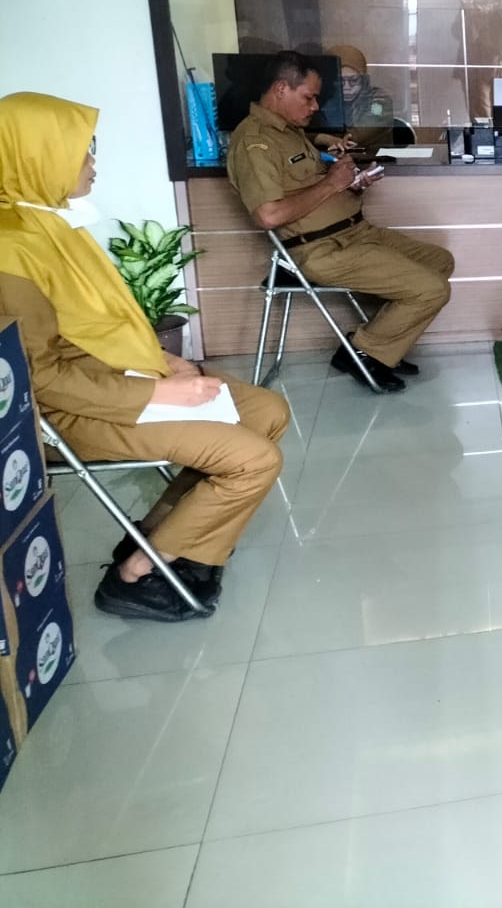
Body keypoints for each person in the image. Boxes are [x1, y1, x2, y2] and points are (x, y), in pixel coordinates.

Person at [0, 92, 289, 622]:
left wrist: (157, 359)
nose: (92, 163)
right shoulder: (9, 250)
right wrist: (156, 389)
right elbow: (38, 378)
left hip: (113, 379)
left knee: (267, 412)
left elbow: (98, 325)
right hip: (69, 412)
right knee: (254, 460)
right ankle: (134, 576)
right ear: (37, 155)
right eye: (82, 150)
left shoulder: (48, 224)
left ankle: (160, 537)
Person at [226, 50, 455, 393]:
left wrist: (350, 184)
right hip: (321, 249)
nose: (315, 106)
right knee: (432, 289)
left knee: (440, 261)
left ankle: (374, 345)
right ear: (280, 89)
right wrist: (332, 183)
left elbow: (312, 186)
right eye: (309, 97)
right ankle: (363, 351)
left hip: (356, 233)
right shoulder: (254, 142)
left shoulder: (289, 132)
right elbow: (268, 215)